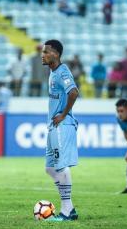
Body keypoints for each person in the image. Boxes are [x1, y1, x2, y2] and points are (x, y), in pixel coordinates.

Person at [41, 39, 79, 221]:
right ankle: (69, 208)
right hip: (53, 126)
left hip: (61, 125)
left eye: (46, 51)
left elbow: (74, 92)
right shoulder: (53, 72)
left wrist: (64, 114)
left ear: (55, 54)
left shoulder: (62, 71)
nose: (43, 54)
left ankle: (66, 211)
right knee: (50, 168)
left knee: (60, 165)